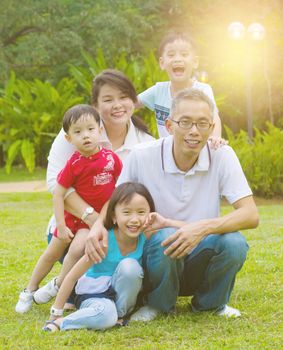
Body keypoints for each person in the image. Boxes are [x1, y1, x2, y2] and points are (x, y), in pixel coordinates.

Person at [85, 88, 259, 321]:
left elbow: (250, 214)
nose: (194, 131)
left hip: (198, 253)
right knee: (163, 233)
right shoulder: (142, 155)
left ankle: (210, 304)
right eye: (185, 122)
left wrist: (202, 228)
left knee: (235, 242)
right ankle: (158, 305)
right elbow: (117, 199)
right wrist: (97, 225)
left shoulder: (222, 155)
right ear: (169, 126)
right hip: (154, 257)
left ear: (211, 127)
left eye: (202, 123)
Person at [15, 104, 122, 313]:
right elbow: (58, 193)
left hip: (96, 220)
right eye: (78, 132)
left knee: (77, 247)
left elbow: (120, 185)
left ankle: (58, 283)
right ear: (68, 138)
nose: (86, 136)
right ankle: (29, 290)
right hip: (75, 217)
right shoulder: (74, 163)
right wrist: (61, 225)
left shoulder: (111, 158)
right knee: (52, 252)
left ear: (100, 130)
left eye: (91, 129)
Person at [46, 69, 155, 242]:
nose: (117, 105)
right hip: (74, 227)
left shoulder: (147, 144)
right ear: (95, 106)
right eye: (108, 99)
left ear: (134, 101)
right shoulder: (75, 133)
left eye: (124, 97)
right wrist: (93, 219)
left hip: (125, 232)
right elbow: (55, 182)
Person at [42, 182, 155, 332]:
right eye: (127, 213)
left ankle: (120, 315)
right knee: (106, 315)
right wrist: (56, 311)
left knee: (130, 267)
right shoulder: (103, 242)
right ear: (114, 216)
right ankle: (62, 323)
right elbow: (72, 276)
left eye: (141, 212)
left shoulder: (147, 237)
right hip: (96, 293)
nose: (134, 220)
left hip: (121, 296)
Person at [138, 32, 223, 144]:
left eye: (184, 54)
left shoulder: (203, 90)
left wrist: (215, 137)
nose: (177, 59)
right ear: (162, 63)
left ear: (195, 62)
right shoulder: (158, 90)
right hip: (166, 157)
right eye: (171, 55)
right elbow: (129, 105)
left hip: (194, 152)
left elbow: (214, 116)